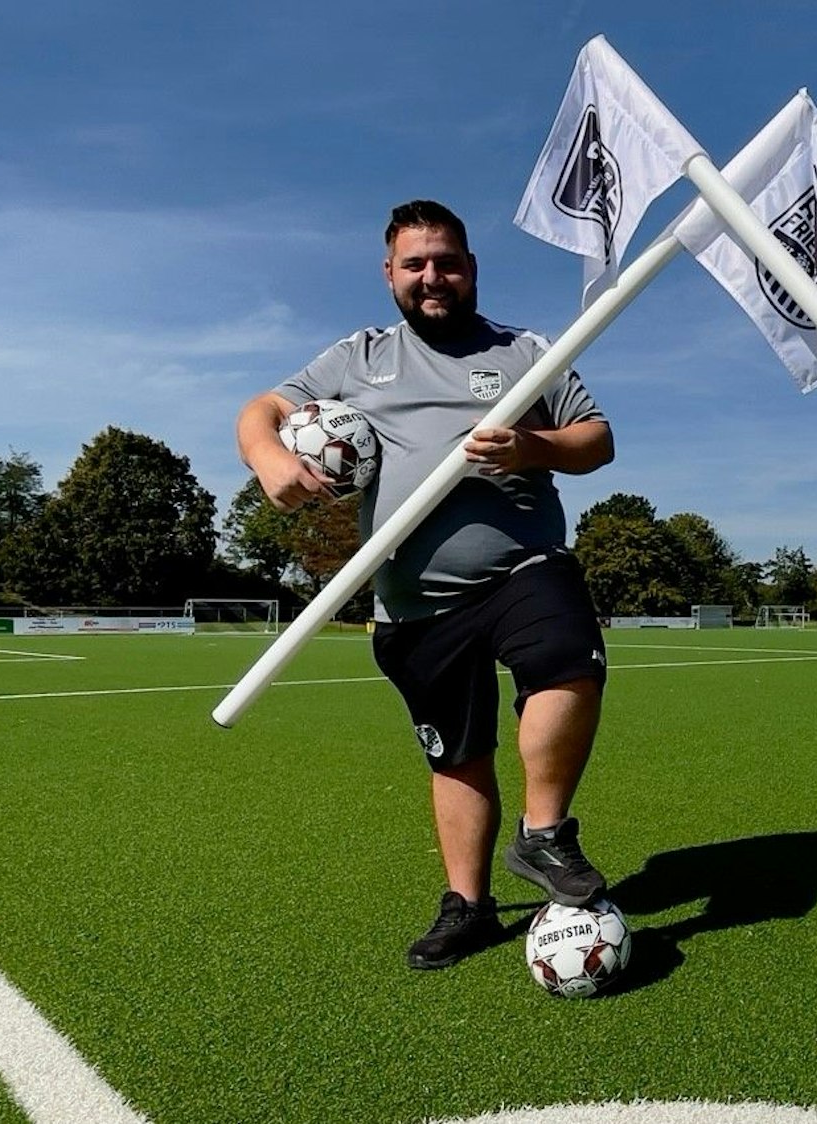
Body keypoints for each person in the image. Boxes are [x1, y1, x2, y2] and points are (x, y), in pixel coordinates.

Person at [235, 200, 616, 971]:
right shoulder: (359, 356)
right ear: (390, 274)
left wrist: (531, 446)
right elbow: (263, 410)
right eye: (415, 265)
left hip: (520, 566)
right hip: (413, 602)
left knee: (568, 660)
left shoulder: (528, 351)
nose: (432, 277)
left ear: (471, 269)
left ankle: (544, 836)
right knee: (456, 756)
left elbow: (596, 440)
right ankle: (467, 907)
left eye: (446, 262)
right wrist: (270, 460)